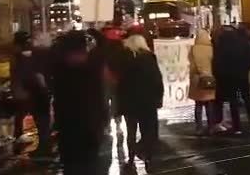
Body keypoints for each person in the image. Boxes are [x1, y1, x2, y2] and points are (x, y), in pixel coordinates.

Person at [52, 31, 106, 174]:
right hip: (77, 134)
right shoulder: (69, 73)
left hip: (83, 134)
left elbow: (98, 99)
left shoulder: (86, 71)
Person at [118, 34, 163, 170]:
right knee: (147, 130)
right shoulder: (149, 58)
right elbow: (157, 79)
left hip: (129, 102)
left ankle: (130, 159)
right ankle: (148, 157)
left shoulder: (124, 59)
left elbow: (121, 83)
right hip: (147, 101)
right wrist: (159, 97)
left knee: (131, 131)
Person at [10, 31, 51, 157]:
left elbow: (23, 75)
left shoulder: (20, 56)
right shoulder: (37, 53)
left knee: (40, 119)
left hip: (33, 92)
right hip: (37, 92)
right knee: (41, 120)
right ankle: (44, 146)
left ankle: (44, 148)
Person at [213, 25, 250, 134]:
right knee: (247, 98)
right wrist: (245, 69)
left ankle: (237, 126)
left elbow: (217, 63)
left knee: (233, 101)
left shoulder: (220, 45)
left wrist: (220, 75)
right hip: (242, 75)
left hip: (228, 77)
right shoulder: (242, 42)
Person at [188, 29, 216, 135]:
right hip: (210, 78)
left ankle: (199, 127)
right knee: (209, 104)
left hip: (197, 79)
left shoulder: (193, 49)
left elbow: (191, 66)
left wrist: (192, 76)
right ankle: (211, 126)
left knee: (198, 105)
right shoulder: (211, 49)